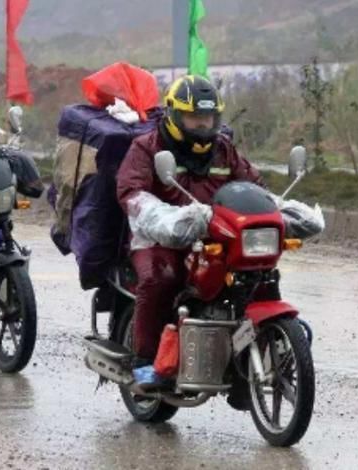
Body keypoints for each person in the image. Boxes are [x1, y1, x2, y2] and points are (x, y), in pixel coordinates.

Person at [116, 75, 263, 396]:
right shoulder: (147, 147)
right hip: (159, 239)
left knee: (255, 277)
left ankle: (246, 356)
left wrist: (275, 209)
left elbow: (252, 185)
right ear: (174, 115)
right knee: (162, 277)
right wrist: (171, 219)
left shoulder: (223, 150)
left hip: (215, 237)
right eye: (194, 118)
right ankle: (145, 361)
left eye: (208, 118)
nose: (202, 125)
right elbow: (131, 192)